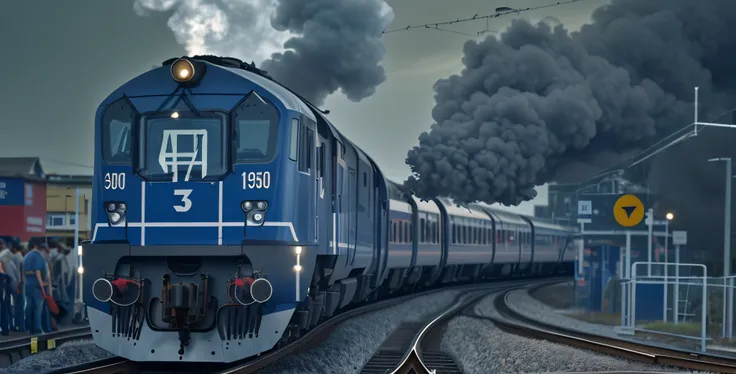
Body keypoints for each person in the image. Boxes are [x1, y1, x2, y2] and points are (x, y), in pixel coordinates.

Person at [24, 240, 50, 335]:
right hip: (37, 286)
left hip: (28, 285)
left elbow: (25, 271)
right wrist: (42, 287)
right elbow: (38, 272)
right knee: (38, 308)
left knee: (29, 307)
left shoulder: (26, 256)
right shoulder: (38, 257)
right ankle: (38, 328)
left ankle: (29, 328)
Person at [8, 240, 25, 332]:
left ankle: (18, 325)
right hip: (19, 284)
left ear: (14, 248)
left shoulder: (14, 258)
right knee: (20, 305)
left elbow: (17, 273)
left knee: (17, 305)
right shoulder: (20, 257)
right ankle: (20, 325)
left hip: (16, 284)